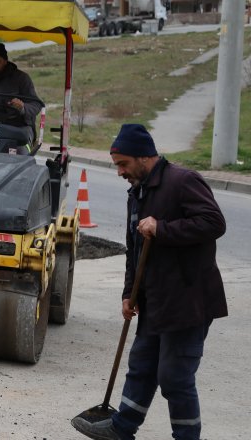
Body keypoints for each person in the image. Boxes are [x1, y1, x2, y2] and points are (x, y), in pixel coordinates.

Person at [72, 124, 228, 440]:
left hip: (188, 300)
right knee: (142, 365)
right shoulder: (138, 193)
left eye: (123, 164)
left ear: (144, 157)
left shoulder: (183, 181)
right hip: (155, 299)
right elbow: (134, 249)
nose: (119, 172)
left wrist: (163, 228)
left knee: (175, 377)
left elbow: (214, 223)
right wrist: (129, 294)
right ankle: (122, 427)